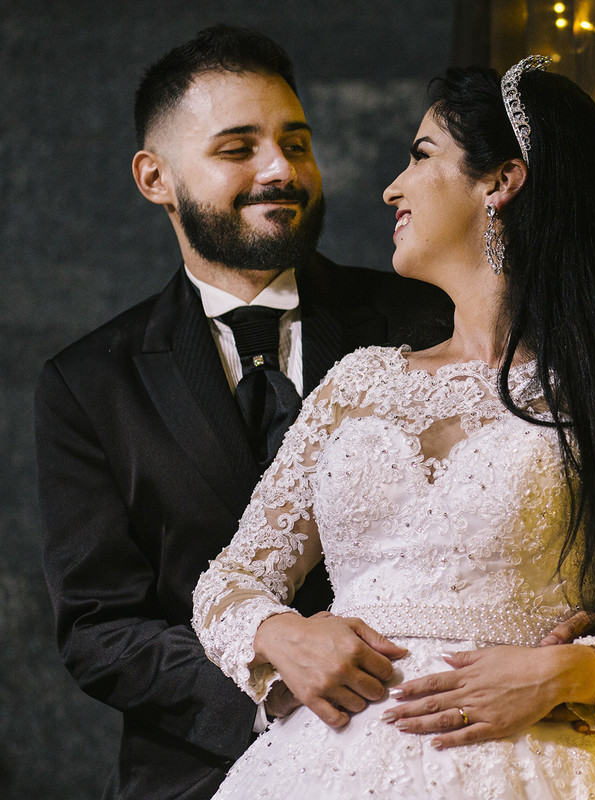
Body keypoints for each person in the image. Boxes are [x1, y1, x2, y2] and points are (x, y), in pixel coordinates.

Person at [191, 57, 595, 798]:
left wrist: (577, 671)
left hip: (541, 764)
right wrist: (284, 634)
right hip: (324, 770)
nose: (392, 188)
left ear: (501, 181)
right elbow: (231, 579)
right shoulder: (357, 384)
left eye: (420, 155)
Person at [35, 25, 454, 800]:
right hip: (199, 775)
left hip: (425, 747)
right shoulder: (87, 384)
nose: (280, 170)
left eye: (296, 144)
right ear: (155, 178)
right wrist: (274, 681)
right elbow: (101, 629)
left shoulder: (426, 319)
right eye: (238, 149)